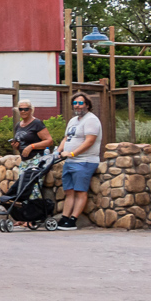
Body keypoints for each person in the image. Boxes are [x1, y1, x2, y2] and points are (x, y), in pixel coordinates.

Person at [54, 93, 105, 229]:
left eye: (80, 103)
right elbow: (66, 138)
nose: (77, 105)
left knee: (80, 191)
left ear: (87, 105)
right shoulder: (73, 120)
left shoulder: (91, 120)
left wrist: (71, 153)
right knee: (69, 192)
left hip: (85, 161)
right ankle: (64, 217)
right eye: (75, 103)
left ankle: (73, 220)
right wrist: (59, 151)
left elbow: (89, 141)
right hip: (70, 162)